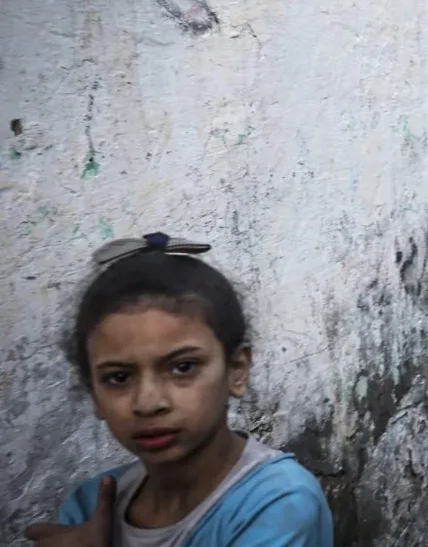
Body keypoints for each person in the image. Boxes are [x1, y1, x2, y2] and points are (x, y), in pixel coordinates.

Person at [24, 233, 334, 546]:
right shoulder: (90, 507)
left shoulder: (277, 502)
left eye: (183, 368)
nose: (148, 402)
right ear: (93, 393)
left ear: (237, 370)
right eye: (118, 377)